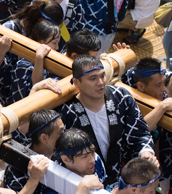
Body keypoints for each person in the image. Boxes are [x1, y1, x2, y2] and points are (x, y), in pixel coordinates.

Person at [60, 54, 155, 184]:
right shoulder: (67, 112)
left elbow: (140, 134)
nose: (101, 82)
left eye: (102, 75)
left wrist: (145, 152)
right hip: (86, 183)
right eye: (93, 78)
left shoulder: (121, 97)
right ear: (77, 83)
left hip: (125, 178)